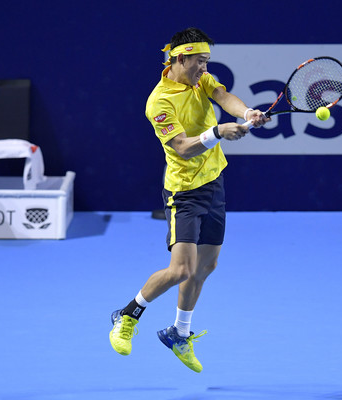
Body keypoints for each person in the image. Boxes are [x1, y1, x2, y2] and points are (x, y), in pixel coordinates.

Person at [109, 27, 268, 373]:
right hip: (184, 192)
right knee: (182, 269)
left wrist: (246, 114)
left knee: (205, 267)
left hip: (215, 182)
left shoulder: (202, 80)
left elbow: (225, 97)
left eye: (207, 61)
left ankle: (178, 334)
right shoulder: (159, 102)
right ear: (180, 59)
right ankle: (128, 314)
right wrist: (218, 131)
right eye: (200, 61)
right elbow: (182, 146)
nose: (204, 68)